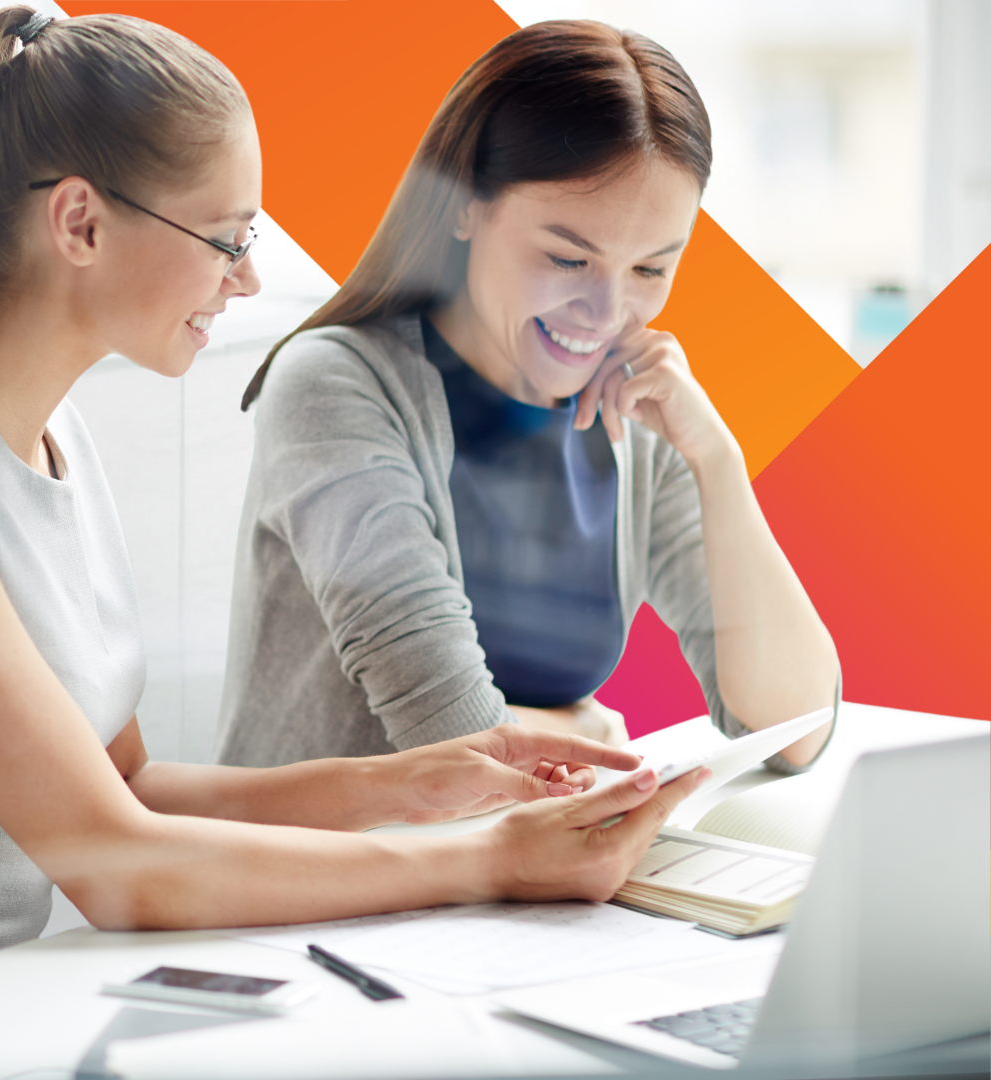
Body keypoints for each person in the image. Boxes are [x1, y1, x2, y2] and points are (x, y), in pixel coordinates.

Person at [0, 9, 705, 1048]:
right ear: (80, 223)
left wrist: (418, 783)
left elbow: (131, 789)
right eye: (227, 238)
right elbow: (116, 866)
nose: (246, 279)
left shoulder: (54, 439)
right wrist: (489, 859)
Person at [217, 21, 838, 774]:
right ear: (464, 204)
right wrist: (588, 731)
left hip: (528, 880)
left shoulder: (632, 415)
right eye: (568, 257)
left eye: (650, 269)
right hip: (333, 882)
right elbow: (454, 743)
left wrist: (719, 462)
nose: (607, 311)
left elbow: (794, 728)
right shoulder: (334, 385)